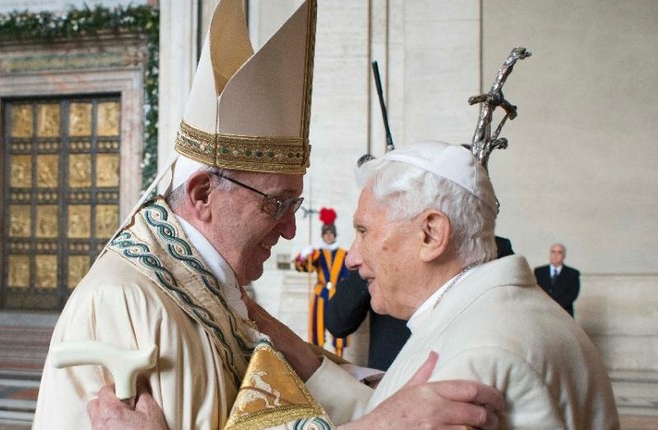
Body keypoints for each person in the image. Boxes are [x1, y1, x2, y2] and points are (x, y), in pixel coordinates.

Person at [34, 1, 503, 428]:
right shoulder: (126, 301)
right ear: (201, 194)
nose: (290, 227)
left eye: (294, 205)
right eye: (276, 204)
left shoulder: (216, 288)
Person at [256, 141, 619, 428]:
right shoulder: (487, 313)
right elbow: (396, 414)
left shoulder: (478, 356)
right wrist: (304, 361)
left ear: (431, 234)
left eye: (364, 231)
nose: (351, 258)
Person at [325, 237, 514, 371]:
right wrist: (373, 263)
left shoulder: (494, 252)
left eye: (364, 230)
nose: (351, 259)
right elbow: (337, 323)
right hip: (387, 388)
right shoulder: (379, 253)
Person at [293, 207, 351, 356]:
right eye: (326, 233)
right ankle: (319, 357)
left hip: (338, 295)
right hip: (320, 295)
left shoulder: (344, 254)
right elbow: (302, 268)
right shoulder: (317, 253)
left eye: (331, 233)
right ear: (323, 235)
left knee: (339, 327)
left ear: (335, 234)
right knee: (317, 328)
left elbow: (349, 275)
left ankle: (339, 358)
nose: (329, 236)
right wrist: (304, 256)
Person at [534, 243, 581, 317]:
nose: (555, 255)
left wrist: (555, 307)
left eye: (559, 252)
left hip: (564, 313)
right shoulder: (538, 271)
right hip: (543, 312)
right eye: (553, 252)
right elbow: (535, 291)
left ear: (564, 256)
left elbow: (572, 294)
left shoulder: (573, 273)